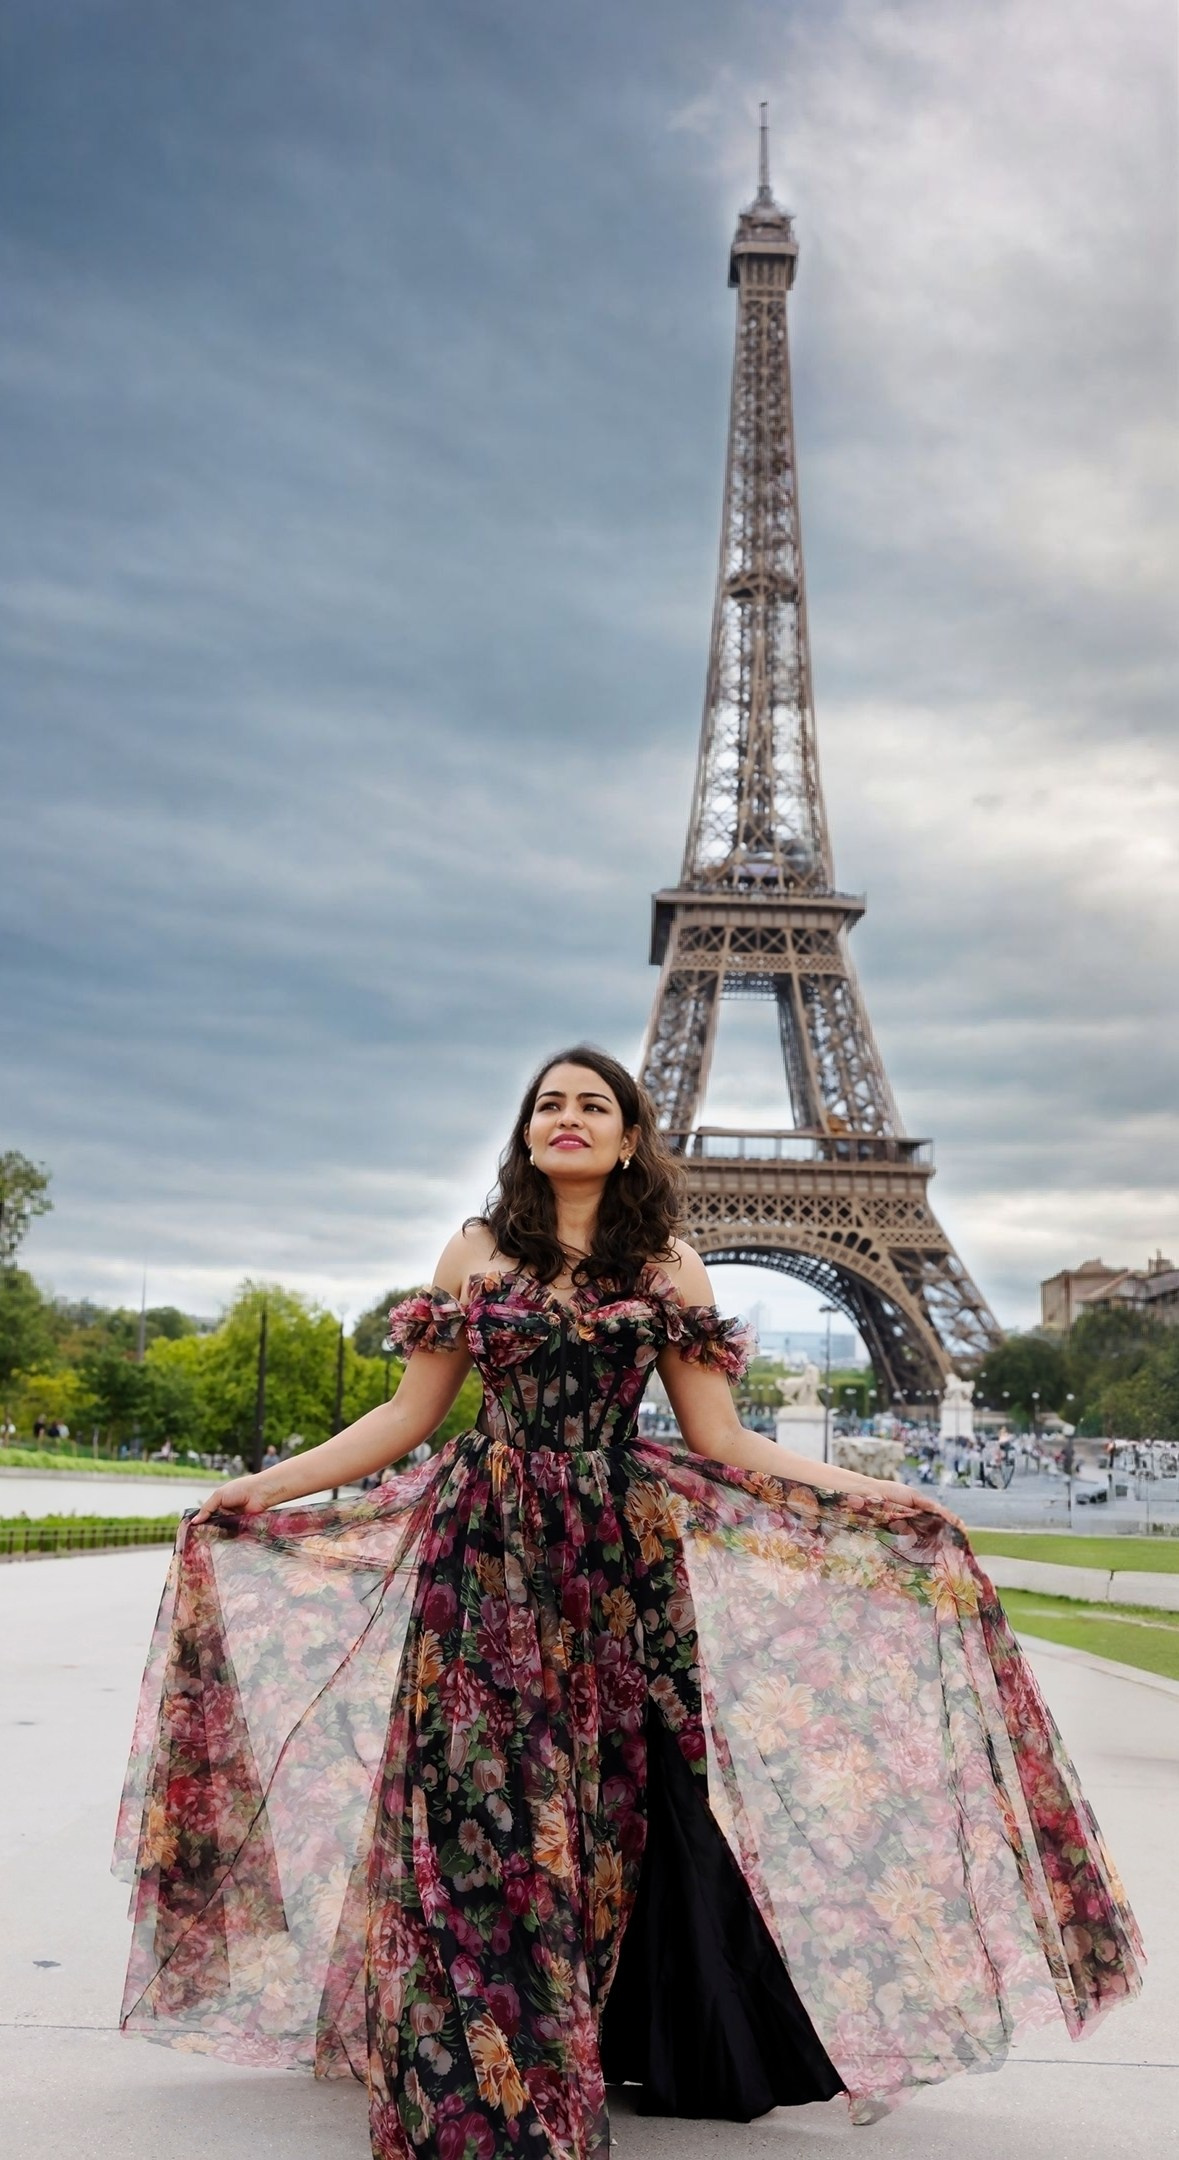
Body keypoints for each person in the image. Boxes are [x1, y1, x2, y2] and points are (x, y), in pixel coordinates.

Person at [112, 1046, 1143, 2159]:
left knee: (600, 1818)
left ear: (630, 1135)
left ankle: (581, 2033)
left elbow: (724, 1440)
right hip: (487, 1554)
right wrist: (261, 1486)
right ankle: (483, 2071)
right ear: (524, 1130)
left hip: (613, 1567)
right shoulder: (476, 1249)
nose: (567, 1117)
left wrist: (884, 1493)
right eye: (547, 1103)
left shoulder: (669, 1268)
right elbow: (409, 1418)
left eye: (591, 1104)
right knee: (477, 1804)